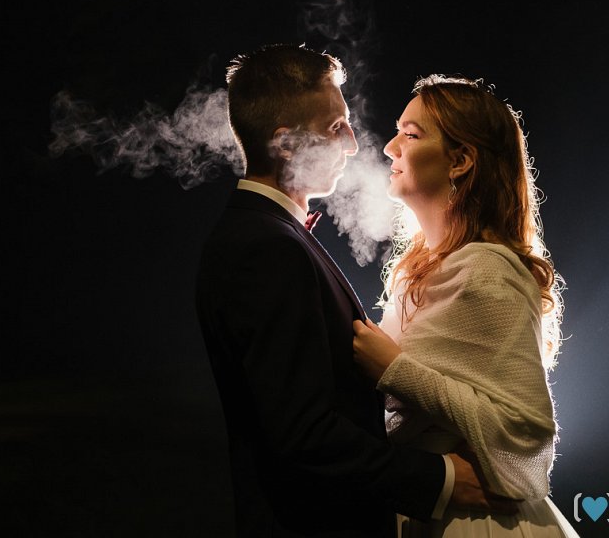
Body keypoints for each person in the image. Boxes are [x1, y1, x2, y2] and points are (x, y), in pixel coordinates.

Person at [195, 46, 519, 537]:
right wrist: (443, 480)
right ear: (286, 144)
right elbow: (303, 433)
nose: (353, 143)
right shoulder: (266, 248)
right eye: (335, 127)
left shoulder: (270, 238)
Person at [352, 75, 580, 537]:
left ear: (459, 160)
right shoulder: (423, 273)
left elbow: (526, 430)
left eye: (411, 135)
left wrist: (395, 370)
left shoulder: (486, 269)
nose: (390, 147)